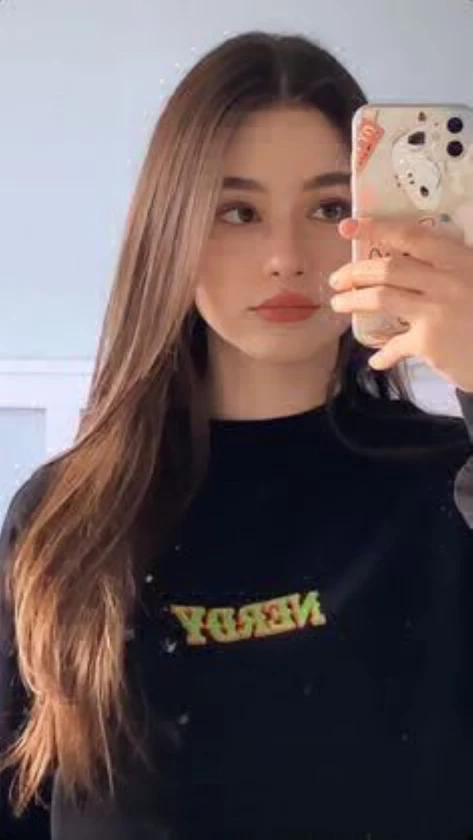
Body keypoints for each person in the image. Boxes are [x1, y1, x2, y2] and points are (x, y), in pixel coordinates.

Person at [1, 30, 473, 840]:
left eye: (329, 209)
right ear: (172, 231)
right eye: (238, 212)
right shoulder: (64, 518)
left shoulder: (449, 486)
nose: (285, 257)